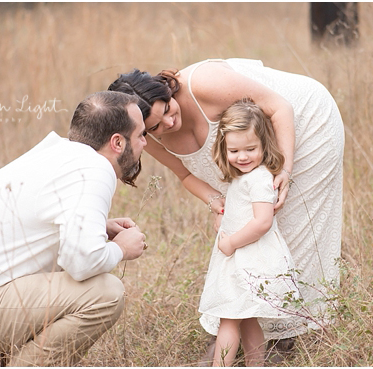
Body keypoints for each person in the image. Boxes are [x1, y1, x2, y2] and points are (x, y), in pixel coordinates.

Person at [108, 59, 344, 351]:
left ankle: (291, 334)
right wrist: (219, 204)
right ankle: (249, 326)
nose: (169, 123)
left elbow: (280, 107)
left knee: (291, 229)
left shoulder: (204, 83)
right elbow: (184, 174)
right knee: (253, 235)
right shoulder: (147, 135)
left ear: (166, 89)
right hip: (257, 148)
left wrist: (284, 170)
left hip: (305, 119)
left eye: (168, 108)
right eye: (156, 126)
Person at [0, 91, 149, 366]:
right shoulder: (95, 168)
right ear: (117, 142)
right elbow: (82, 262)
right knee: (107, 294)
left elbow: (37, 224)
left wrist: (99, 228)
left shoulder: (58, 154)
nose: (145, 144)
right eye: (141, 135)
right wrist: (120, 248)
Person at [199, 98, 299, 366]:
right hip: (240, 257)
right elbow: (241, 212)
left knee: (229, 318)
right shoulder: (244, 177)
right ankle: (256, 364)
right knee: (247, 316)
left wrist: (230, 242)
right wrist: (224, 219)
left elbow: (263, 222)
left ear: (265, 146)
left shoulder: (260, 178)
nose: (242, 157)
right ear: (224, 148)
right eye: (234, 151)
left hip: (245, 256)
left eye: (250, 149)